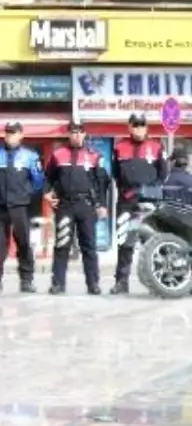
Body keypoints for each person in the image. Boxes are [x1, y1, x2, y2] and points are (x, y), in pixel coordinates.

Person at [44, 122, 109, 295]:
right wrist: (47, 193)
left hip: (86, 206)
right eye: (74, 132)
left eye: (80, 132)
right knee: (62, 244)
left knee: (89, 245)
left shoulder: (94, 156)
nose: (77, 136)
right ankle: (58, 284)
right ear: (69, 134)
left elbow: (102, 183)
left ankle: (93, 284)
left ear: (85, 134)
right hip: (65, 205)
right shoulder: (58, 155)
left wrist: (102, 205)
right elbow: (48, 178)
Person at [111, 113, 169, 294]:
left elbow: (163, 174)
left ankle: (162, 280)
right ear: (129, 127)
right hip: (127, 202)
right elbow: (115, 174)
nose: (138, 128)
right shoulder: (119, 148)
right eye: (135, 125)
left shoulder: (157, 147)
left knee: (155, 241)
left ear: (147, 127)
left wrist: (150, 191)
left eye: (142, 125)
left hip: (149, 203)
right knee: (125, 242)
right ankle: (121, 281)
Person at [0, 121, 45, 294]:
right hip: (1, 208)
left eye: (14, 132)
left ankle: (26, 280)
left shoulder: (30, 156)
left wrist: (25, 195)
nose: (10, 136)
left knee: (24, 243)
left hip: (20, 207)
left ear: (21, 134)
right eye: (8, 132)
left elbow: (38, 181)